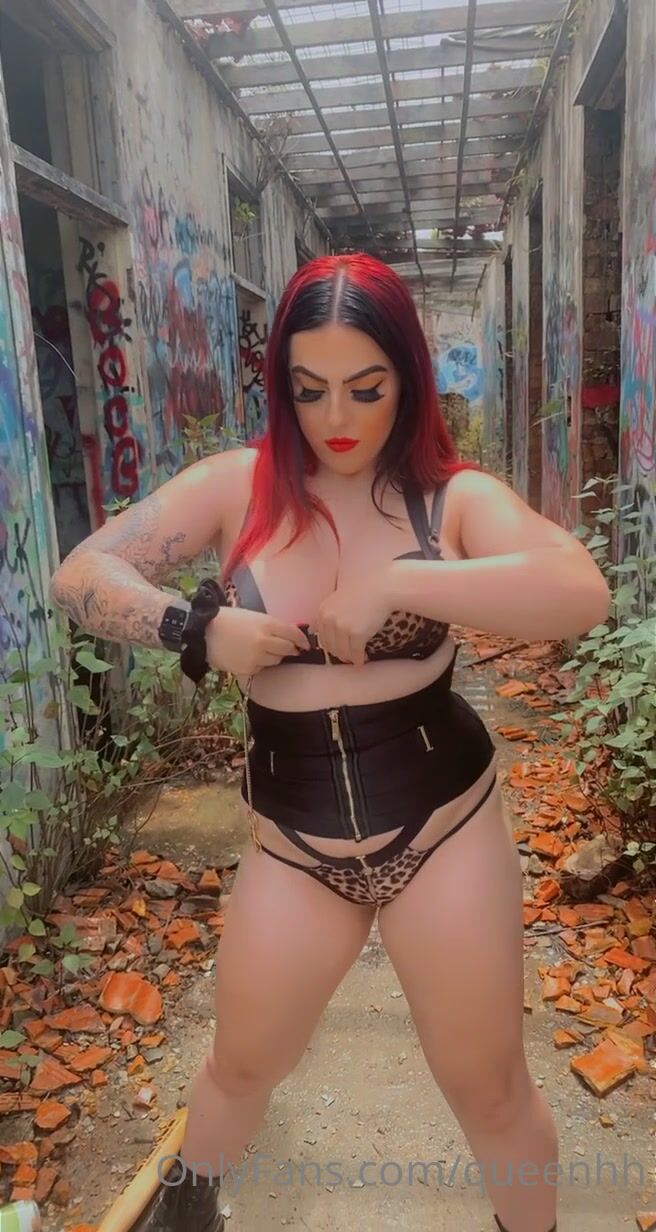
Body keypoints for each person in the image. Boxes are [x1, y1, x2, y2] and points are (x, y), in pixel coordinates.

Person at [50, 254, 610, 1232]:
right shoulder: (238, 486)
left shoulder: (451, 498)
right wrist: (196, 627)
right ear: (283, 386)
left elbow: (578, 591)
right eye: (309, 390)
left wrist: (404, 582)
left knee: (486, 1086)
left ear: (408, 379)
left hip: (441, 828)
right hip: (293, 840)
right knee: (239, 1063)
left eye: (366, 387)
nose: (336, 417)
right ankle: (186, 1216)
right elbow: (81, 574)